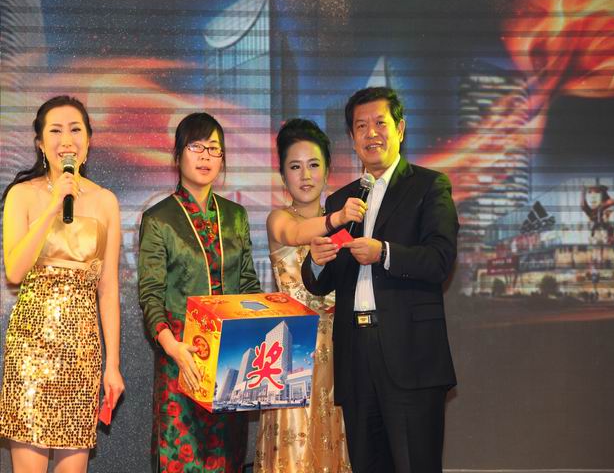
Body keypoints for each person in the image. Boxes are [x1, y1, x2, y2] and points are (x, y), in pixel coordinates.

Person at [301, 87, 459, 473]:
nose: (371, 133)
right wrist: (317, 261)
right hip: (356, 357)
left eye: (380, 123)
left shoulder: (429, 186)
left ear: (400, 128)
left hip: (410, 356)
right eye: (361, 126)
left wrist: (384, 252)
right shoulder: (341, 201)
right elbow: (320, 281)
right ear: (352, 137)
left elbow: (440, 260)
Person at [0, 95, 125, 473]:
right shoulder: (22, 195)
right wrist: (54, 205)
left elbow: (108, 290)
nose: (66, 140)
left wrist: (113, 365)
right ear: (40, 143)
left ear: (88, 140)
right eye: (55, 131)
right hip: (30, 351)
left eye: (75, 130)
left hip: (82, 353)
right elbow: (14, 272)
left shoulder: (105, 201)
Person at [138, 112, 261, 472]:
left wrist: (258, 336)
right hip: (182, 357)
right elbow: (151, 294)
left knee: (228, 456)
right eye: (196, 147)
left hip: (232, 360)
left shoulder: (235, 216)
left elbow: (249, 283)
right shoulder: (159, 218)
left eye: (214, 149)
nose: (206, 156)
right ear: (178, 155)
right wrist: (172, 347)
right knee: (182, 457)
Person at [254, 119, 365, 473]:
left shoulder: (349, 225)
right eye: (295, 166)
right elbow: (298, 233)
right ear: (282, 176)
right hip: (293, 353)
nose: (305, 175)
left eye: (314, 164)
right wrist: (337, 218)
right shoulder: (279, 219)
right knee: (295, 451)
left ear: (328, 170)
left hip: (341, 349)